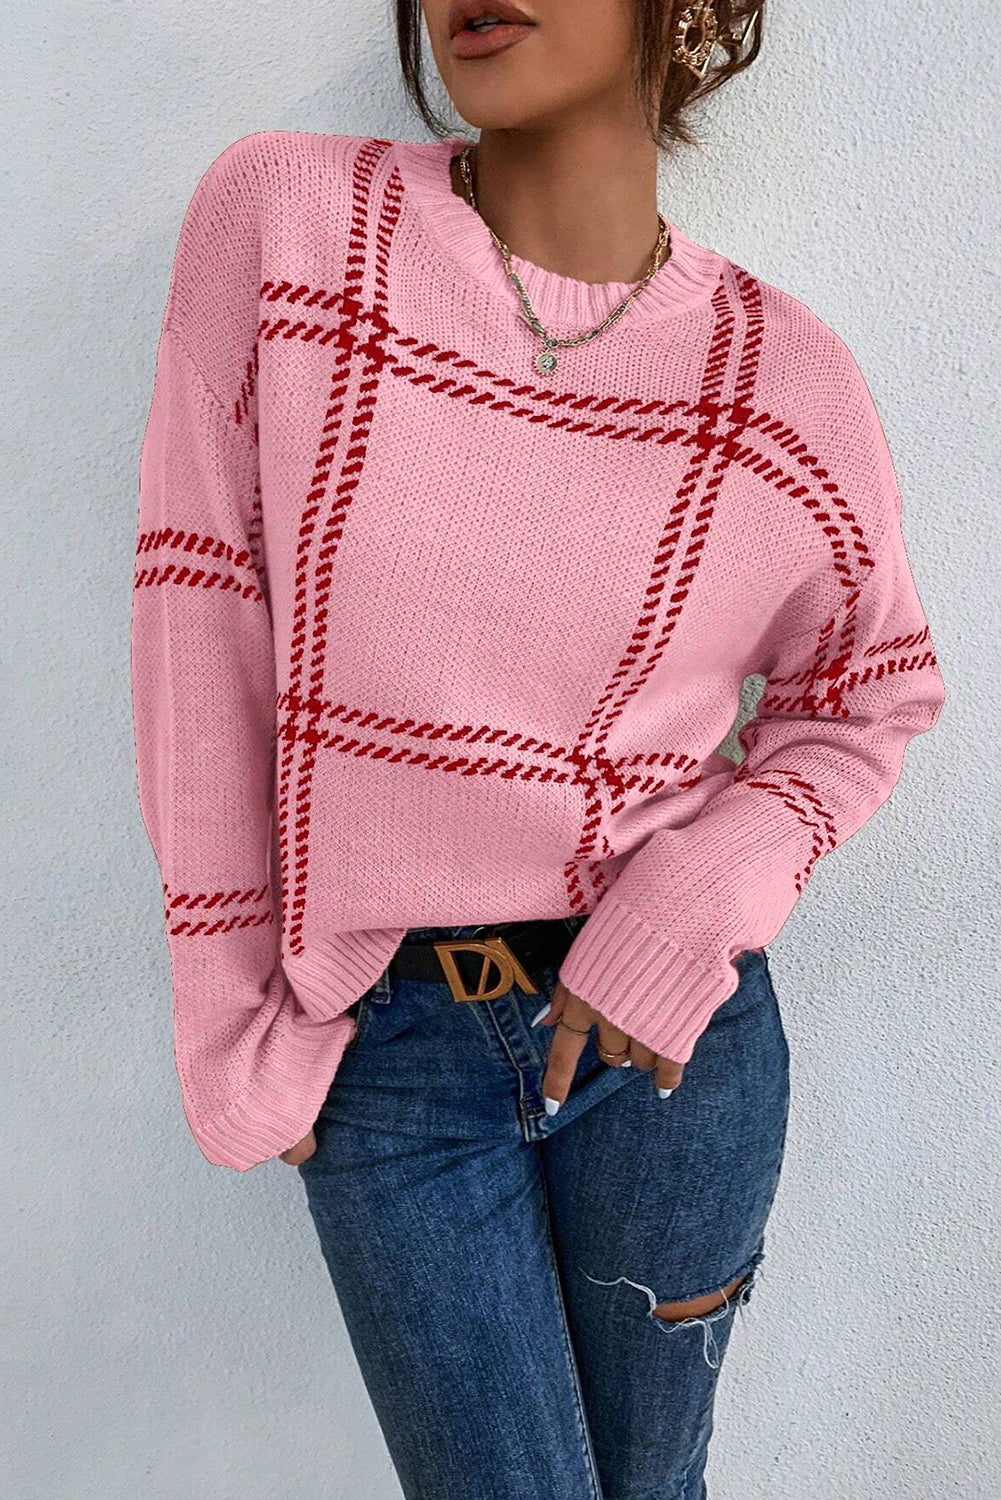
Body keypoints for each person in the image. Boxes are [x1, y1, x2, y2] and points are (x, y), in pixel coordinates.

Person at [130, 2, 946, 1494]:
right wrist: (239, 1022)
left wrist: (692, 902)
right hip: (387, 1048)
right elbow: (204, 615)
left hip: (670, 1051)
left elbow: (869, 696)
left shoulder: (785, 383)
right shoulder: (294, 226)